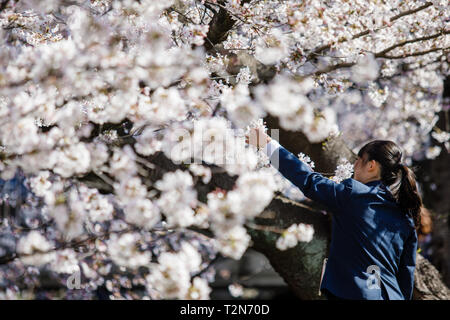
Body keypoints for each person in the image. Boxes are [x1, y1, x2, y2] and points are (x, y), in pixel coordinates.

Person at [245, 127, 422, 300]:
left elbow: (308, 180)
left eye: (359, 160)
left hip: (355, 293)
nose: (354, 166)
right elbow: (406, 272)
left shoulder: (354, 194)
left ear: (371, 166)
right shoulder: (405, 217)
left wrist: (268, 145)